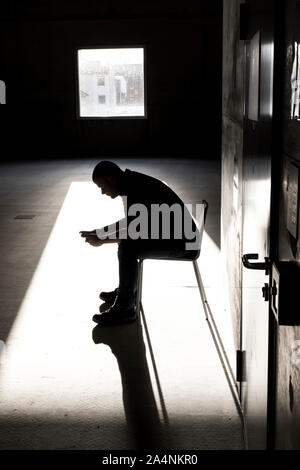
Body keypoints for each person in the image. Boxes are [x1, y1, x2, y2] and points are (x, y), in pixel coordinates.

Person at [80, 161, 200, 325]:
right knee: (127, 245)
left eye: (102, 186)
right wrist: (101, 232)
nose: (102, 192)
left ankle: (125, 308)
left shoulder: (133, 189)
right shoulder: (130, 182)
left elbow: (133, 233)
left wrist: (101, 239)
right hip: (178, 237)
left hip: (184, 245)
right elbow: (131, 223)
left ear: (111, 179)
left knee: (128, 247)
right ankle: (127, 293)